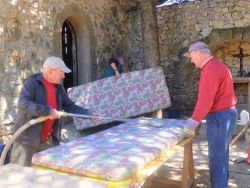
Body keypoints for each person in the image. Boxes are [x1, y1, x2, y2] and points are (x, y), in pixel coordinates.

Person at [10, 56, 95, 166]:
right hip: (26, 141)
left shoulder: (58, 88)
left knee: (46, 173)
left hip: (47, 141)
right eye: (62, 72)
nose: (64, 76)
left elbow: (70, 106)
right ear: (51, 71)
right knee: (19, 174)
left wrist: (88, 114)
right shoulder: (32, 82)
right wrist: (48, 111)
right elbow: (23, 104)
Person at [183, 41, 238, 188]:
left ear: (199, 54)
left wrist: (191, 124)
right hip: (227, 114)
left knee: (217, 159)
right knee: (222, 156)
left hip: (220, 117)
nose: (191, 60)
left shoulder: (210, 69)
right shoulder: (217, 66)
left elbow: (205, 102)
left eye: (192, 56)